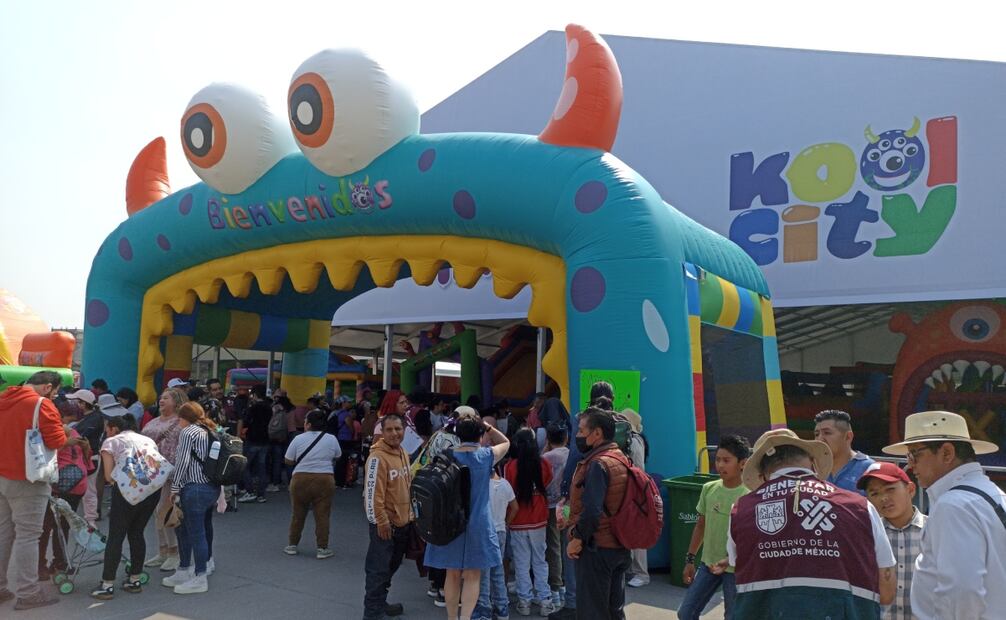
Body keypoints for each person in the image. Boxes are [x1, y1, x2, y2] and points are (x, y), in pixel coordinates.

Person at [727, 428, 896, 618]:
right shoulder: (861, 507)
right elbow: (886, 588)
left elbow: (737, 567)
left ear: (762, 475)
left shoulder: (740, 511)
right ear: (813, 463)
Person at [882, 410, 1006, 619]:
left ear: (947, 453)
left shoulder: (954, 505)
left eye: (914, 454)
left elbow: (962, 589)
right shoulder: (994, 495)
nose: (910, 465)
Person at [424, 408, 511, 620]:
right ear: (481, 435)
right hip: (478, 523)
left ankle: (452, 617)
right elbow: (506, 443)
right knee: (473, 575)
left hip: (450, 521)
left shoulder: (446, 455)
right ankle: (466, 618)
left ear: (458, 435)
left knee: (452, 574)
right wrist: (488, 426)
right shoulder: (486, 456)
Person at [0, 371, 67, 610]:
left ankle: (0, 587)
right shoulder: (42, 404)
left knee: (4, 533)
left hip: (2, 476)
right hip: (29, 478)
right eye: (56, 391)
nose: (56, 395)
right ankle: (28, 592)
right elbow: (56, 441)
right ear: (48, 387)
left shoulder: (4, 399)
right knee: (28, 536)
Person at [551, 382, 614, 620]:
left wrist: (564, 501)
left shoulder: (586, 427)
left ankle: (572, 603)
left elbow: (572, 469)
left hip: (577, 505)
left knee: (573, 552)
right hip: (613, 511)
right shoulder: (623, 430)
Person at [565, 407, 631, 620]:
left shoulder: (597, 464)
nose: (577, 435)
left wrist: (577, 538)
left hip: (597, 548)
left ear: (597, 433)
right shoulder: (620, 457)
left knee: (593, 612)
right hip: (619, 544)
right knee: (614, 611)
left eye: (581, 430)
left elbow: (592, 511)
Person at [90, 414, 163, 600]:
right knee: (137, 533)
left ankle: (107, 585)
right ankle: (135, 579)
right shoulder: (147, 440)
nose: (106, 432)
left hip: (126, 492)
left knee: (116, 536)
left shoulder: (111, 442)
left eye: (107, 429)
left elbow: (108, 476)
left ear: (114, 428)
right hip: (151, 490)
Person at [677, 435, 751, 620]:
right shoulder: (709, 488)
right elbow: (700, 525)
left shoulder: (750, 495)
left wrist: (731, 559)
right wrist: (690, 559)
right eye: (717, 459)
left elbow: (751, 538)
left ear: (743, 463)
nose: (720, 465)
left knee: (733, 617)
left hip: (736, 570)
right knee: (686, 613)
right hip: (708, 564)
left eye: (726, 460)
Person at [160, 402, 221, 595]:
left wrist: (175, 488)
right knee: (203, 528)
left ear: (183, 417)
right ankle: (199, 566)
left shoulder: (188, 433)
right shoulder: (211, 431)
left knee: (189, 531)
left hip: (192, 487)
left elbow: (183, 461)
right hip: (210, 487)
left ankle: (196, 575)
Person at [857, 461, 926, 620]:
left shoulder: (934, 530)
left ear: (910, 489)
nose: (883, 498)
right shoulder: (867, 536)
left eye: (890, 489)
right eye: (874, 494)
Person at [363, 413, 414, 620]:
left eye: (398, 429)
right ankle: (372, 613)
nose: (395, 433)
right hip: (385, 526)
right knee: (378, 571)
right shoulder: (377, 458)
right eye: (390, 430)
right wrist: (381, 522)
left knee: (391, 567)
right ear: (382, 433)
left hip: (403, 523)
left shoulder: (403, 452)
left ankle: (380, 603)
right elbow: (373, 493)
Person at [506, 427, 555, 616]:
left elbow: (509, 491)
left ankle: (524, 602)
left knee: (521, 563)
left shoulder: (510, 466)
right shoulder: (543, 464)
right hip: (539, 520)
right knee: (540, 561)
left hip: (518, 521)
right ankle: (545, 601)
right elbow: (548, 481)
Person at [39, 404, 91, 580]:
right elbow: (88, 464)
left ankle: (43, 565)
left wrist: (64, 445)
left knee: (47, 526)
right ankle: (59, 562)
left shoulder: (54, 432)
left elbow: (43, 456)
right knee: (62, 526)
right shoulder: (75, 433)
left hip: (59, 485)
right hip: (77, 485)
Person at [283, 409, 341, 559]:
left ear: (308, 424)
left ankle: (292, 545)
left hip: (300, 479)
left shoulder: (298, 439)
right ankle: (322, 548)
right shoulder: (331, 439)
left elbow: (288, 460)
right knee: (322, 515)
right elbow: (338, 455)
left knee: (298, 514)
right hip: (325, 479)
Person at [141, 387, 185, 571]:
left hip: (171, 473)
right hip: (152, 472)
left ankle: (174, 552)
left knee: (165, 511)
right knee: (157, 512)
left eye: (166, 398)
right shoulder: (154, 421)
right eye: (161, 397)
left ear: (176, 402)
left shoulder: (180, 423)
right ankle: (163, 551)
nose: (161, 400)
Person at [473, 465, 517, 620]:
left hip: (485, 531)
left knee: (483, 572)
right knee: (498, 571)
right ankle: (502, 607)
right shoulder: (505, 484)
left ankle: (483, 608)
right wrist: (506, 523)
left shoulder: (482, 486)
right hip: (501, 532)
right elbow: (514, 507)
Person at [814, 409, 875, 494]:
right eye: (817, 434)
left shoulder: (869, 468)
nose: (820, 439)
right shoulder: (813, 468)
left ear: (848, 437)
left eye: (827, 433)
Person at [542, 423, 569, 609]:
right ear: (566, 437)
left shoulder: (545, 458)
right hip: (566, 504)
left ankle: (556, 585)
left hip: (550, 505)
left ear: (548, 439)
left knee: (553, 546)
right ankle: (566, 582)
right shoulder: (571, 455)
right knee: (565, 541)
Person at [67, 389, 104, 525]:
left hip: (89, 458)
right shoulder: (90, 417)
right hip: (85, 458)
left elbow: (81, 437)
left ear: (83, 404)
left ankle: (90, 522)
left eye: (76, 402)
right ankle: (89, 520)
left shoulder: (94, 419)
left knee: (89, 492)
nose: (74, 404)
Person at [237, 385, 272, 503]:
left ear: (255, 395)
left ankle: (250, 490)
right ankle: (261, 494)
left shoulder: (253, 407)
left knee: (244, 465)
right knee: (262, 467)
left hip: (252, 439)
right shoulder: (269, 407)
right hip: (265, 439)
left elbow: (246, 421)